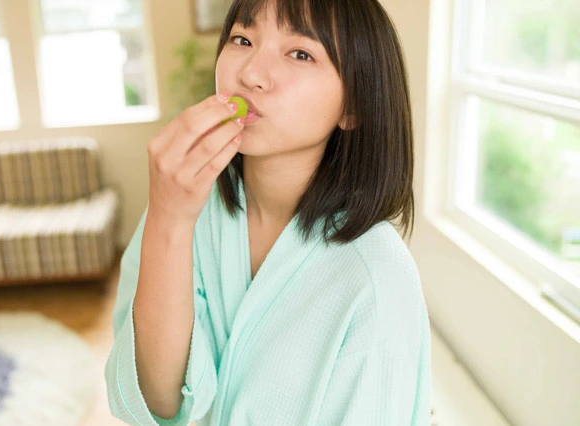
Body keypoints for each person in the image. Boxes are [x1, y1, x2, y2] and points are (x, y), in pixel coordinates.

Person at [105, 0, 431, 424]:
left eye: (300, 53)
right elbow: (158, 401)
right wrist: (168, 221)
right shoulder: (183, 204)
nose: (250, 74)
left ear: (353, 106)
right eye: (243, 39)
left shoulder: (378, 277)